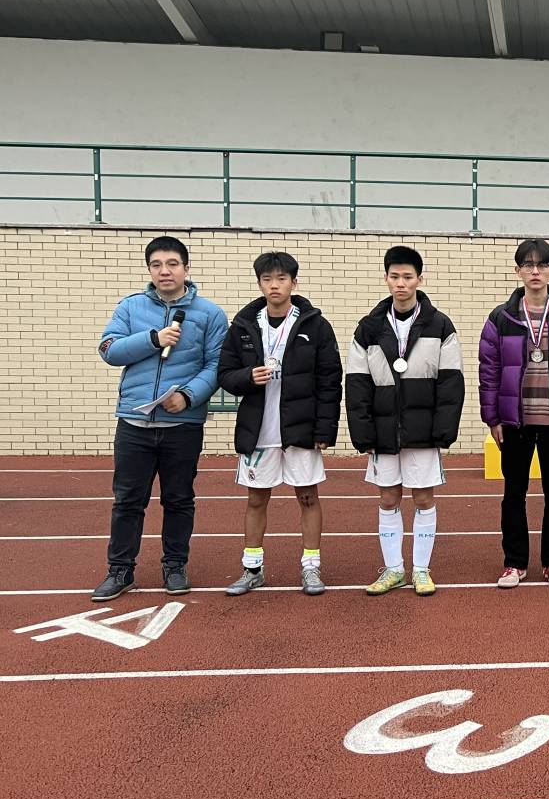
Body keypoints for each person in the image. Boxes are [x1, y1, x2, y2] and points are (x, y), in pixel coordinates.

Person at [92, 236, 227, 601]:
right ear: (149, 269)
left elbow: (217, 364)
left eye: (172, 263)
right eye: (156, 264)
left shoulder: (210, 314)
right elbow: (110, 350)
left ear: (186, 268)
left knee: (179, 499)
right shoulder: (130, 307)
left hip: (182, 426)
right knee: (127, 501)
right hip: (133, 423)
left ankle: (175, 566)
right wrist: (153, 338)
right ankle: (120, 570)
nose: (164, 271)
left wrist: (189, 396)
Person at [217, 251, 342, 596]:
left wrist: (325, 429)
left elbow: (330, 380)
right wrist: (247, 377)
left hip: (301, 428)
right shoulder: (243, 325)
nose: (274, 285)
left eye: (281, 279)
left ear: (293, 283)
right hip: (259, 430)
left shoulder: (315, 325)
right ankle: (252, 568)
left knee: (308, 497)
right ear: (259, 283)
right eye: (267, 279)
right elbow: (224, 375)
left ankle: (311, 567)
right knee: (256, 500)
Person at [347, 245, 465, 597]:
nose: (401, 283)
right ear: (386, 279)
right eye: (395, 276)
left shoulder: (440, 325)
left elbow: (451, 382)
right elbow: (357, 384)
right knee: (388, 498)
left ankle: (421, 570)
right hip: (383, 430)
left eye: (408, 277)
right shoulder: (368, 328)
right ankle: (394, 569)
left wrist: (444, 430)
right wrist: (363, 432)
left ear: (419, 279)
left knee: (424, 498)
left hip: (423, 429)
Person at [479, 239, 549, 589]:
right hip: (516, 419)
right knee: (514, 493)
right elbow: (489, 370)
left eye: (542, 265)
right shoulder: (502, 317)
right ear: (518, 271)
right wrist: (493, 418)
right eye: (528, 265)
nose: (535, 271)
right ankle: (514, 563)